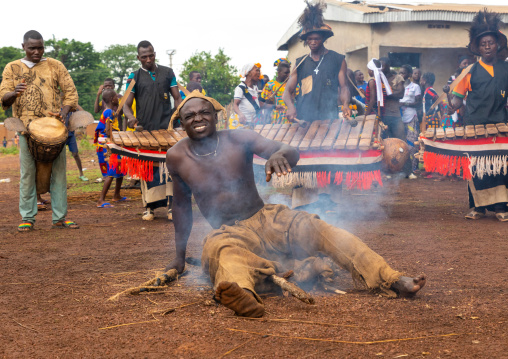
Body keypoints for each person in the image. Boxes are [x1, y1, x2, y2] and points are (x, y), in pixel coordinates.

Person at [165, 91, 426, 318]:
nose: (197, 118)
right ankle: (243, 295)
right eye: (189, 116)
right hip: (230, 233)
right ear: (182, 123)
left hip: (268, 219)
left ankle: (389, 278)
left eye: (203, 112)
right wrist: (178, 257)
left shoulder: (239, 138)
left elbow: (290, 150)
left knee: (321, 229)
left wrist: (279, 155)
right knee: (224, 253)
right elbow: (180, 207)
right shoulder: (176, 156)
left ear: (216, 115)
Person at [0, 30, 79, 231]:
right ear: (23, 47)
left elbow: (70, 93)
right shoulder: (12, 68)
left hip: (55, 131)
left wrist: (64, 111)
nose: (36, 51)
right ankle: (27, 217)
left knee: (59, 174)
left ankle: (60, 218)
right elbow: (4, 99)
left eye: (40, 47)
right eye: (32, 48)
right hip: (26, 130)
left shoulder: (55, 65)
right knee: (27, 174)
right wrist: (13, 92)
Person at [444, 10, 508, 221]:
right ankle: (477, 207)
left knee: (500, 167)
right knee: (477, 167)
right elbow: (456, 99)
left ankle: (501, 207)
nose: (487, 46)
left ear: (497, 44)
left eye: (490, 43)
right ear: (478, 48)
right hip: (475, 125)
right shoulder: (469, 70)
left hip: (500, 125)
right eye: (483, 44)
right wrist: (452, 107)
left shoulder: (506, 69)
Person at [123, 40, 182, 221]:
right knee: (148, 170)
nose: (148, 59)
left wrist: (178, 115)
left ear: (154, 53)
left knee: (170, 168)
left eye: (151, 55)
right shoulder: (134, 77)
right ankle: (149, 208)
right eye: (144, 57)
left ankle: (172, 207)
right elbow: (125, 104)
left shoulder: (167, 73)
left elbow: (177, 97)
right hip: (145, 130)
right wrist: (132, 119)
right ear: (138, 58)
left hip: (167, 129)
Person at [283, 2, 351, 123]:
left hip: (329, 116)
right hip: (304, 118)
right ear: (306, 41)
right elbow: (287, 91)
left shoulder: (338, 59)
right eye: (309, 39)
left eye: (316, 39)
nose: (313, 42)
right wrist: (291, 107)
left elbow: (344, 87)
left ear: (323, 39)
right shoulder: (300, 63)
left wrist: (345, 104)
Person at [94, 89, 125, 208]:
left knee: (120, 167)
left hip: (109, 143)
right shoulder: (109, 112)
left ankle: (117, 195)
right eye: (117, 97)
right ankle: (100, 200)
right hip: (107, 145)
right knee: (111, 172)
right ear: (113, 99)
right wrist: (114, 139)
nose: (118, 99)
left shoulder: (110, 111)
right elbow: (108, 130)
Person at [398, 64, 421, 178]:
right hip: (399, 116)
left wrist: (405, 103)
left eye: (403, 73)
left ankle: (413, 169)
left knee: (412, 143)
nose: (401, 75)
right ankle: (402, 168)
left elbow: (418, 103)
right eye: (400, 73)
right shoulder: (398, 86)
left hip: (411, 116)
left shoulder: (415, 87)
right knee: (401, 143)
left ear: (409, 75)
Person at [379, 57, 405, 140]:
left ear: (388, 65)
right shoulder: (378, 79)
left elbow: (400, 94)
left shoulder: (398, 78)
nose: (381, 68)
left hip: (394, 115)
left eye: (382, 66)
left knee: (399, 140)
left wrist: (385, 93)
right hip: (382, 115)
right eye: (379, 66)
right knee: (382, 141)